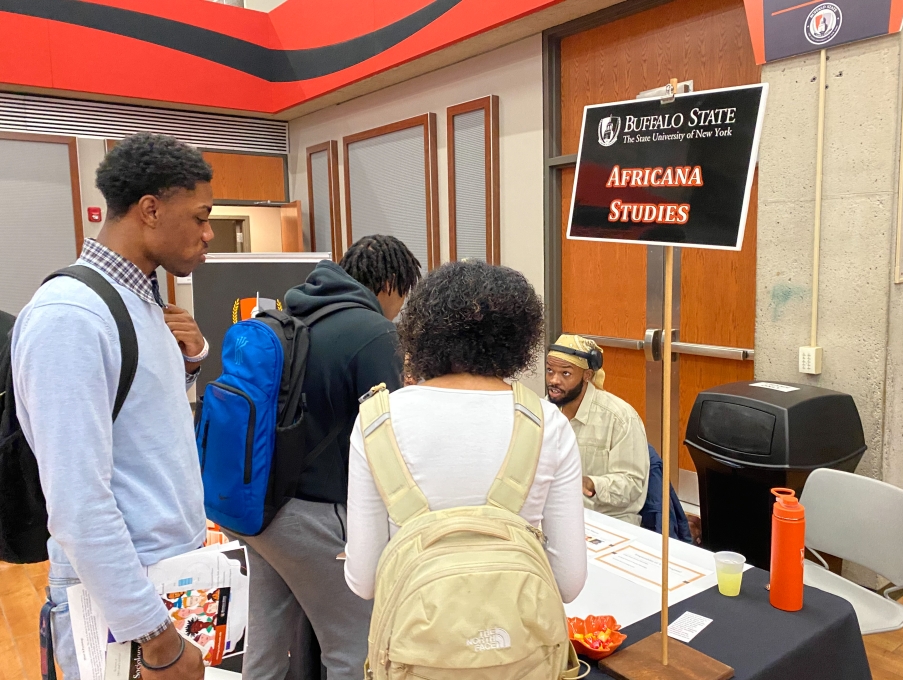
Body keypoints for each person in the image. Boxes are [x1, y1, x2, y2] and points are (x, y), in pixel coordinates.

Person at [11, 133, 214, 680]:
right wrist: (156, 635)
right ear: (151, 210)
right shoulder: (70, 317)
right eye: (200, 216)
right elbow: (79, 505)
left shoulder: (140, 300)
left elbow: (139, 423)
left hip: (165, 581)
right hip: (123, 603)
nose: (208, 234)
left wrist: (189, 363)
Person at [231, 234, 421, 680]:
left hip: (260, 507)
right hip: (315, 517)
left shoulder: (291, 314)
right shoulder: (374, 332)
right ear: (390, 283)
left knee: (267, 646)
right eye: (404, 294)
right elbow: (386, 437)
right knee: (355, 648)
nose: (401, 307)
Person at [346, 260, 588, 604]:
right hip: (520, 642)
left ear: (421, 332)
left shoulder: (377, 420)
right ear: (519, 340)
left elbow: (364, 582)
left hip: (415, 645)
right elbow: (569, 583)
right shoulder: (548, 424)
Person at [546, 334, 650, 526]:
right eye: (550, 371)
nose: (554, 380)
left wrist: (592, 484)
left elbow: (633, 484)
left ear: (587, 376)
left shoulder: (620, 417)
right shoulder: (542, 411)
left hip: (610, 520)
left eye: (565, 373)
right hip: (555, 513)